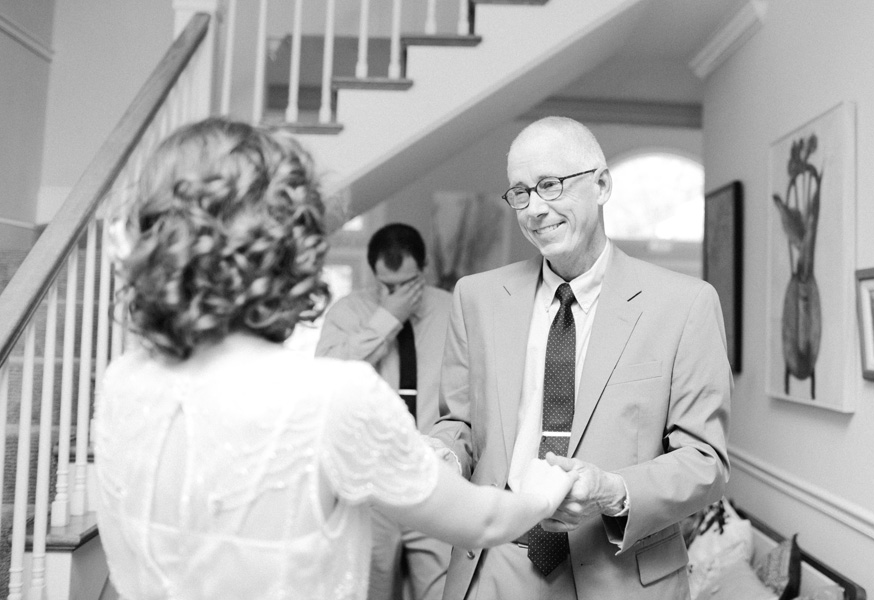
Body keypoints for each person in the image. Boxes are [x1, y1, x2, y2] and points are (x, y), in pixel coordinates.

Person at [93, 117, 578, 600]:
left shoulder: (122, 381)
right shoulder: (330, 396)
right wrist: (545, 488)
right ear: (289, 246)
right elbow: (484, 519)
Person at [429, 116, 731, 600]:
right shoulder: (476, 297)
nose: (535, 209)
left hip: (621, 570)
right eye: (520, 193)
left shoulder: (685, 304)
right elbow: (460, 425)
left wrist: (611, 489)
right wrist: (441, 454)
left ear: (602, 184)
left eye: (550, 185)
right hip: (496, 563)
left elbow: (704, 462)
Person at [315, 223, 452, 600]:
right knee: (371, 591)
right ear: (374, 272)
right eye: (386, 284)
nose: (395, 293)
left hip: (435, 479)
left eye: (407, 283)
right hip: (369, 485)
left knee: (440, 592)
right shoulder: (348, 312)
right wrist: (388, 316)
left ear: (423, 268)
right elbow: (328, 376)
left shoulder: (452, 309)